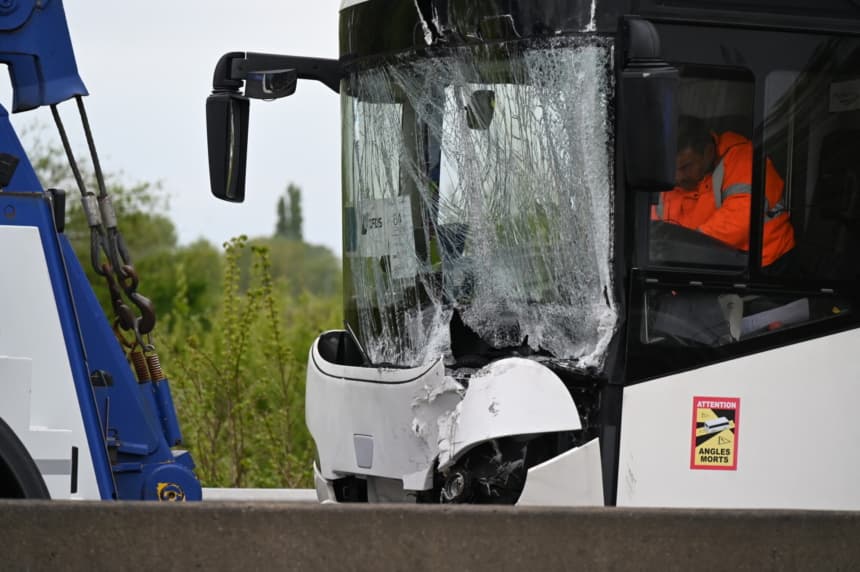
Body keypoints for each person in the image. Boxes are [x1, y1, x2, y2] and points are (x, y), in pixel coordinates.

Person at [654, 115, 795, 268]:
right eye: (672, 168)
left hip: (762, 269)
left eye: (686, 167)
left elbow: (740, 218)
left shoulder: (744, 159)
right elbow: (652, 229)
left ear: (708, 152)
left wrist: (683, 250)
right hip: (704, 269)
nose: (677, 177)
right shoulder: (668, 180)